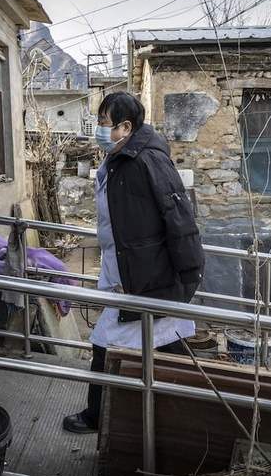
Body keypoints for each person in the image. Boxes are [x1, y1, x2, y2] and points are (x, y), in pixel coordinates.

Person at [62, 92, 204, 434]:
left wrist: (189, 274)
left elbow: (178, 217)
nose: (99, 130)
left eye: (104, 123)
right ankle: (192, 411)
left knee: (105, 341)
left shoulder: (146, 161)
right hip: (130, 270)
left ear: (125, 127)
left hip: (145, 276)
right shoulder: (118, 158)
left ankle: (96, 416)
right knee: (166, 340)